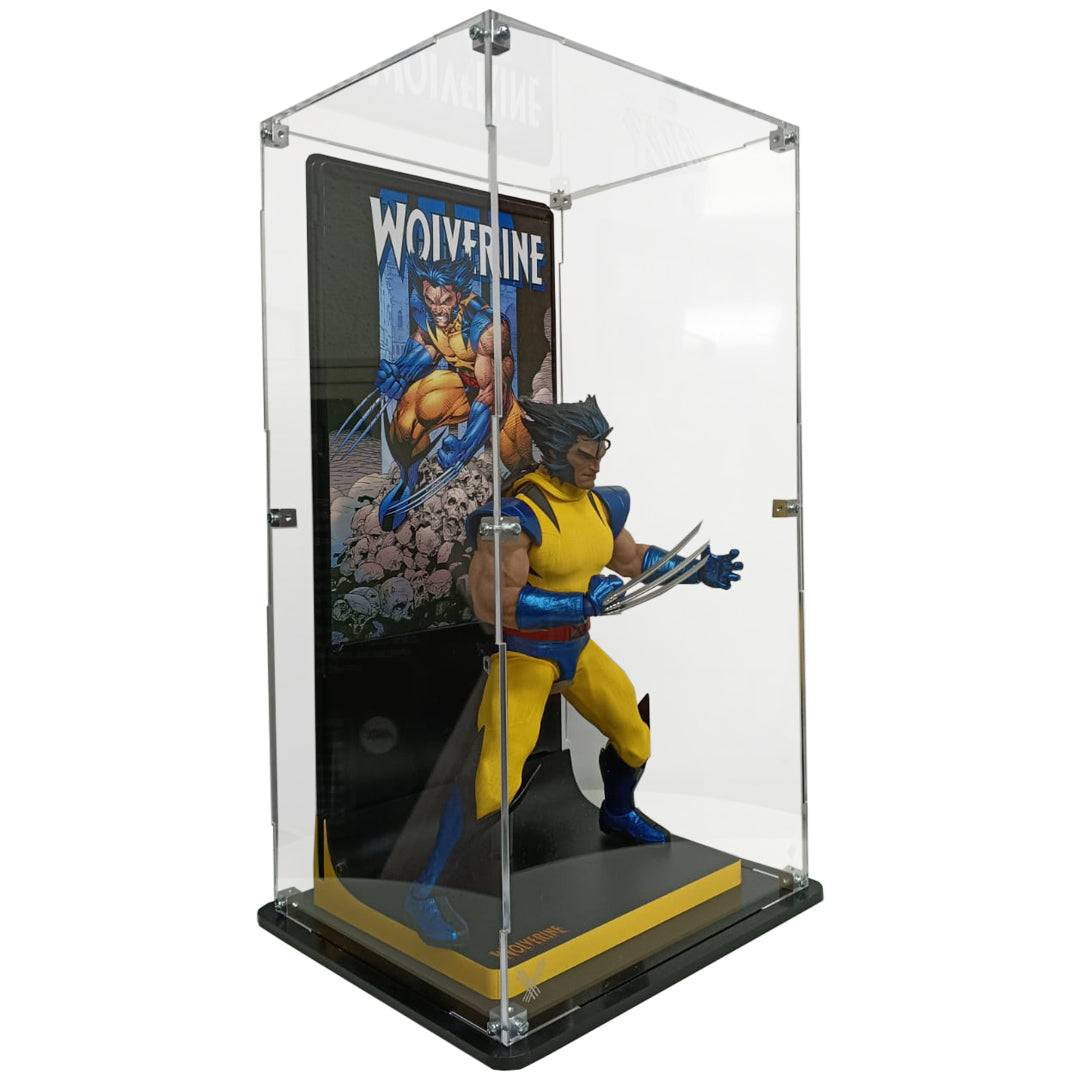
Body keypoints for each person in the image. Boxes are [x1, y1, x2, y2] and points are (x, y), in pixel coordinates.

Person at [404, 396, 743, 946]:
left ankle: (617, 812)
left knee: (634, 737)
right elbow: (494, 602)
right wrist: (580, 601)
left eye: (601, 451)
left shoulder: (600, 505)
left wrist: (695, 569)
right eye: (586, 453)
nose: (596, 464)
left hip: (577, 650)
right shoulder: (513, 516)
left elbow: (630, 559)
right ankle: (424, 892)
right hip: (524, 655)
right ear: (556, 451)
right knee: (493, 780)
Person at [370, 254, 531, 529]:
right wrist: (398, 373)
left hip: (494, 395)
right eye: (431, 300)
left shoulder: (486, 326)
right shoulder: (423, 307)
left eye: (445, 301)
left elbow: (492, 395)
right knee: (410, 409)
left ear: (458, 295)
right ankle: (409, 480)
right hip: (462, 384)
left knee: (517, 455)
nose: (437, 309)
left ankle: (526, 501)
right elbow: (427, 345)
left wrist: (466, 446)